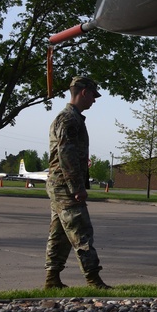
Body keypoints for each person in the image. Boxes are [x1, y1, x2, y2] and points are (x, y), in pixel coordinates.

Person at [44, 76, 111, 290]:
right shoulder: (69, 120)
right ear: (83, 92)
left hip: (59, 184)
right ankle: (94, 280)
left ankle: (52, 280)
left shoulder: (71, 118)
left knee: (60, 234)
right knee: (81, 231)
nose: (94, 100)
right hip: (65, 186)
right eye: (93, 95)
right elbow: (67, 155)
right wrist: (77, 188)